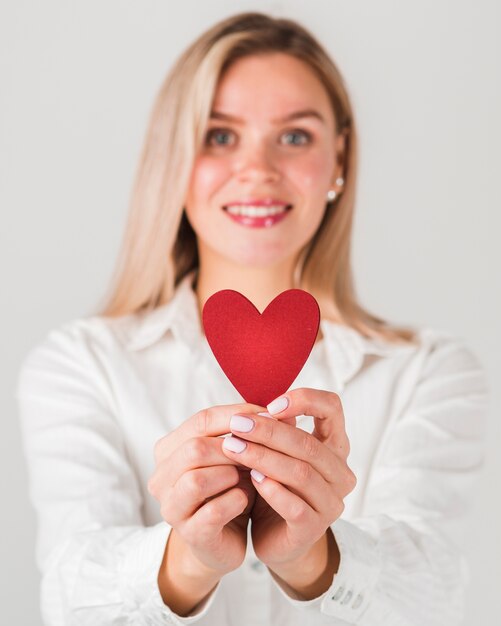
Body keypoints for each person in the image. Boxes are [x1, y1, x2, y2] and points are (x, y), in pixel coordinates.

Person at [16, 11, 489, 626]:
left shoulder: (430, 372)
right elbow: (67, 600)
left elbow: (437, 599)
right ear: (175, 159)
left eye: (294, 137)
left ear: (338, 159)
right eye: (219, 135)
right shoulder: (81, 366)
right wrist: (188, 561)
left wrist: (310, 558)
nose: (259, 169)